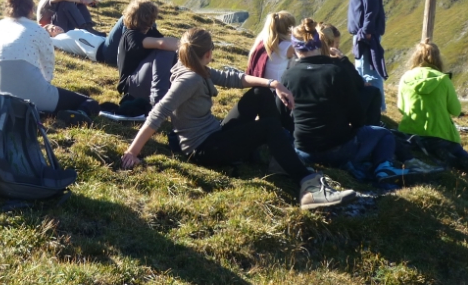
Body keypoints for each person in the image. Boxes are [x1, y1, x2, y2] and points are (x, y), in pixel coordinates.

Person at [121, 28, 357, 210]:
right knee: (268, 127)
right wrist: (132, 152)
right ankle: (308, 184)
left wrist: (272, 83)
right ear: (208, 54)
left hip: (214, 134)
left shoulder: (193, 65)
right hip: (203, 149)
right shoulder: (190, 79)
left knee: (260, 93)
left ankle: (279, 159)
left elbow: (232, 78)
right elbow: (159, 111)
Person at [279, 18, 411, 182]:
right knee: (384, 134)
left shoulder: (287, 76)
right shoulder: (335, 72)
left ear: (294, 46)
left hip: (304, 151)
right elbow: (357, 117)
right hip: (338, 150)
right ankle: (383, 169)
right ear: (319, 43)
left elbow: (282, 116)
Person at [0, 0, 99, 122]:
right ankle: (73, 114)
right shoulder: (37, 30)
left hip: (1, 100)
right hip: (35, 95)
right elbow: (47, 71)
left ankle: (39, 112)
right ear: (31, 9)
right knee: (90, 103)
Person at [397, 41, 468, 171]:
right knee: (461, 153)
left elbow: (401, 107)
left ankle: (432, 152)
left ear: (415, 57)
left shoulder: (405, 78)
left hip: (410, 134)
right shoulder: (443, 79)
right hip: (441, 135)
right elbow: (456, 110)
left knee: (421, 144)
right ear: (437, 58)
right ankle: (454, 157)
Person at [347, 0, 387, 110]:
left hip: (365, 34)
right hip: (361, 33)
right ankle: (374, 110)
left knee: (368, 73)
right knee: (363, 71)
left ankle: (377, 110)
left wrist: (367, 31)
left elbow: (372, 5)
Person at [317, 22, 381, 126]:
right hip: (339, 111)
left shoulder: (311, 59)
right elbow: (356, 81)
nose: (338, 46)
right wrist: (343, 59)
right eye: (336, 42)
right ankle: (370, 127)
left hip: (321, 112)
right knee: (373, 92)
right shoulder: (336, 63)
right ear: (330, 43)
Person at [117, 0, 178, 107]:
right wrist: (186, 46)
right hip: (132, 86)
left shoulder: (151, 32)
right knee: (166, 52)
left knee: (174, 55)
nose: (150, 22)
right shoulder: (131, 35)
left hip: (145, 82)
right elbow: (162, 44)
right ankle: (158, 103)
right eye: (147, 19)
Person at [246, 11, 295, 81]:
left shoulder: (262, 41)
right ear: (290, 28)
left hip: (261, 83)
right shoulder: (288, 46)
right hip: (277, 85)